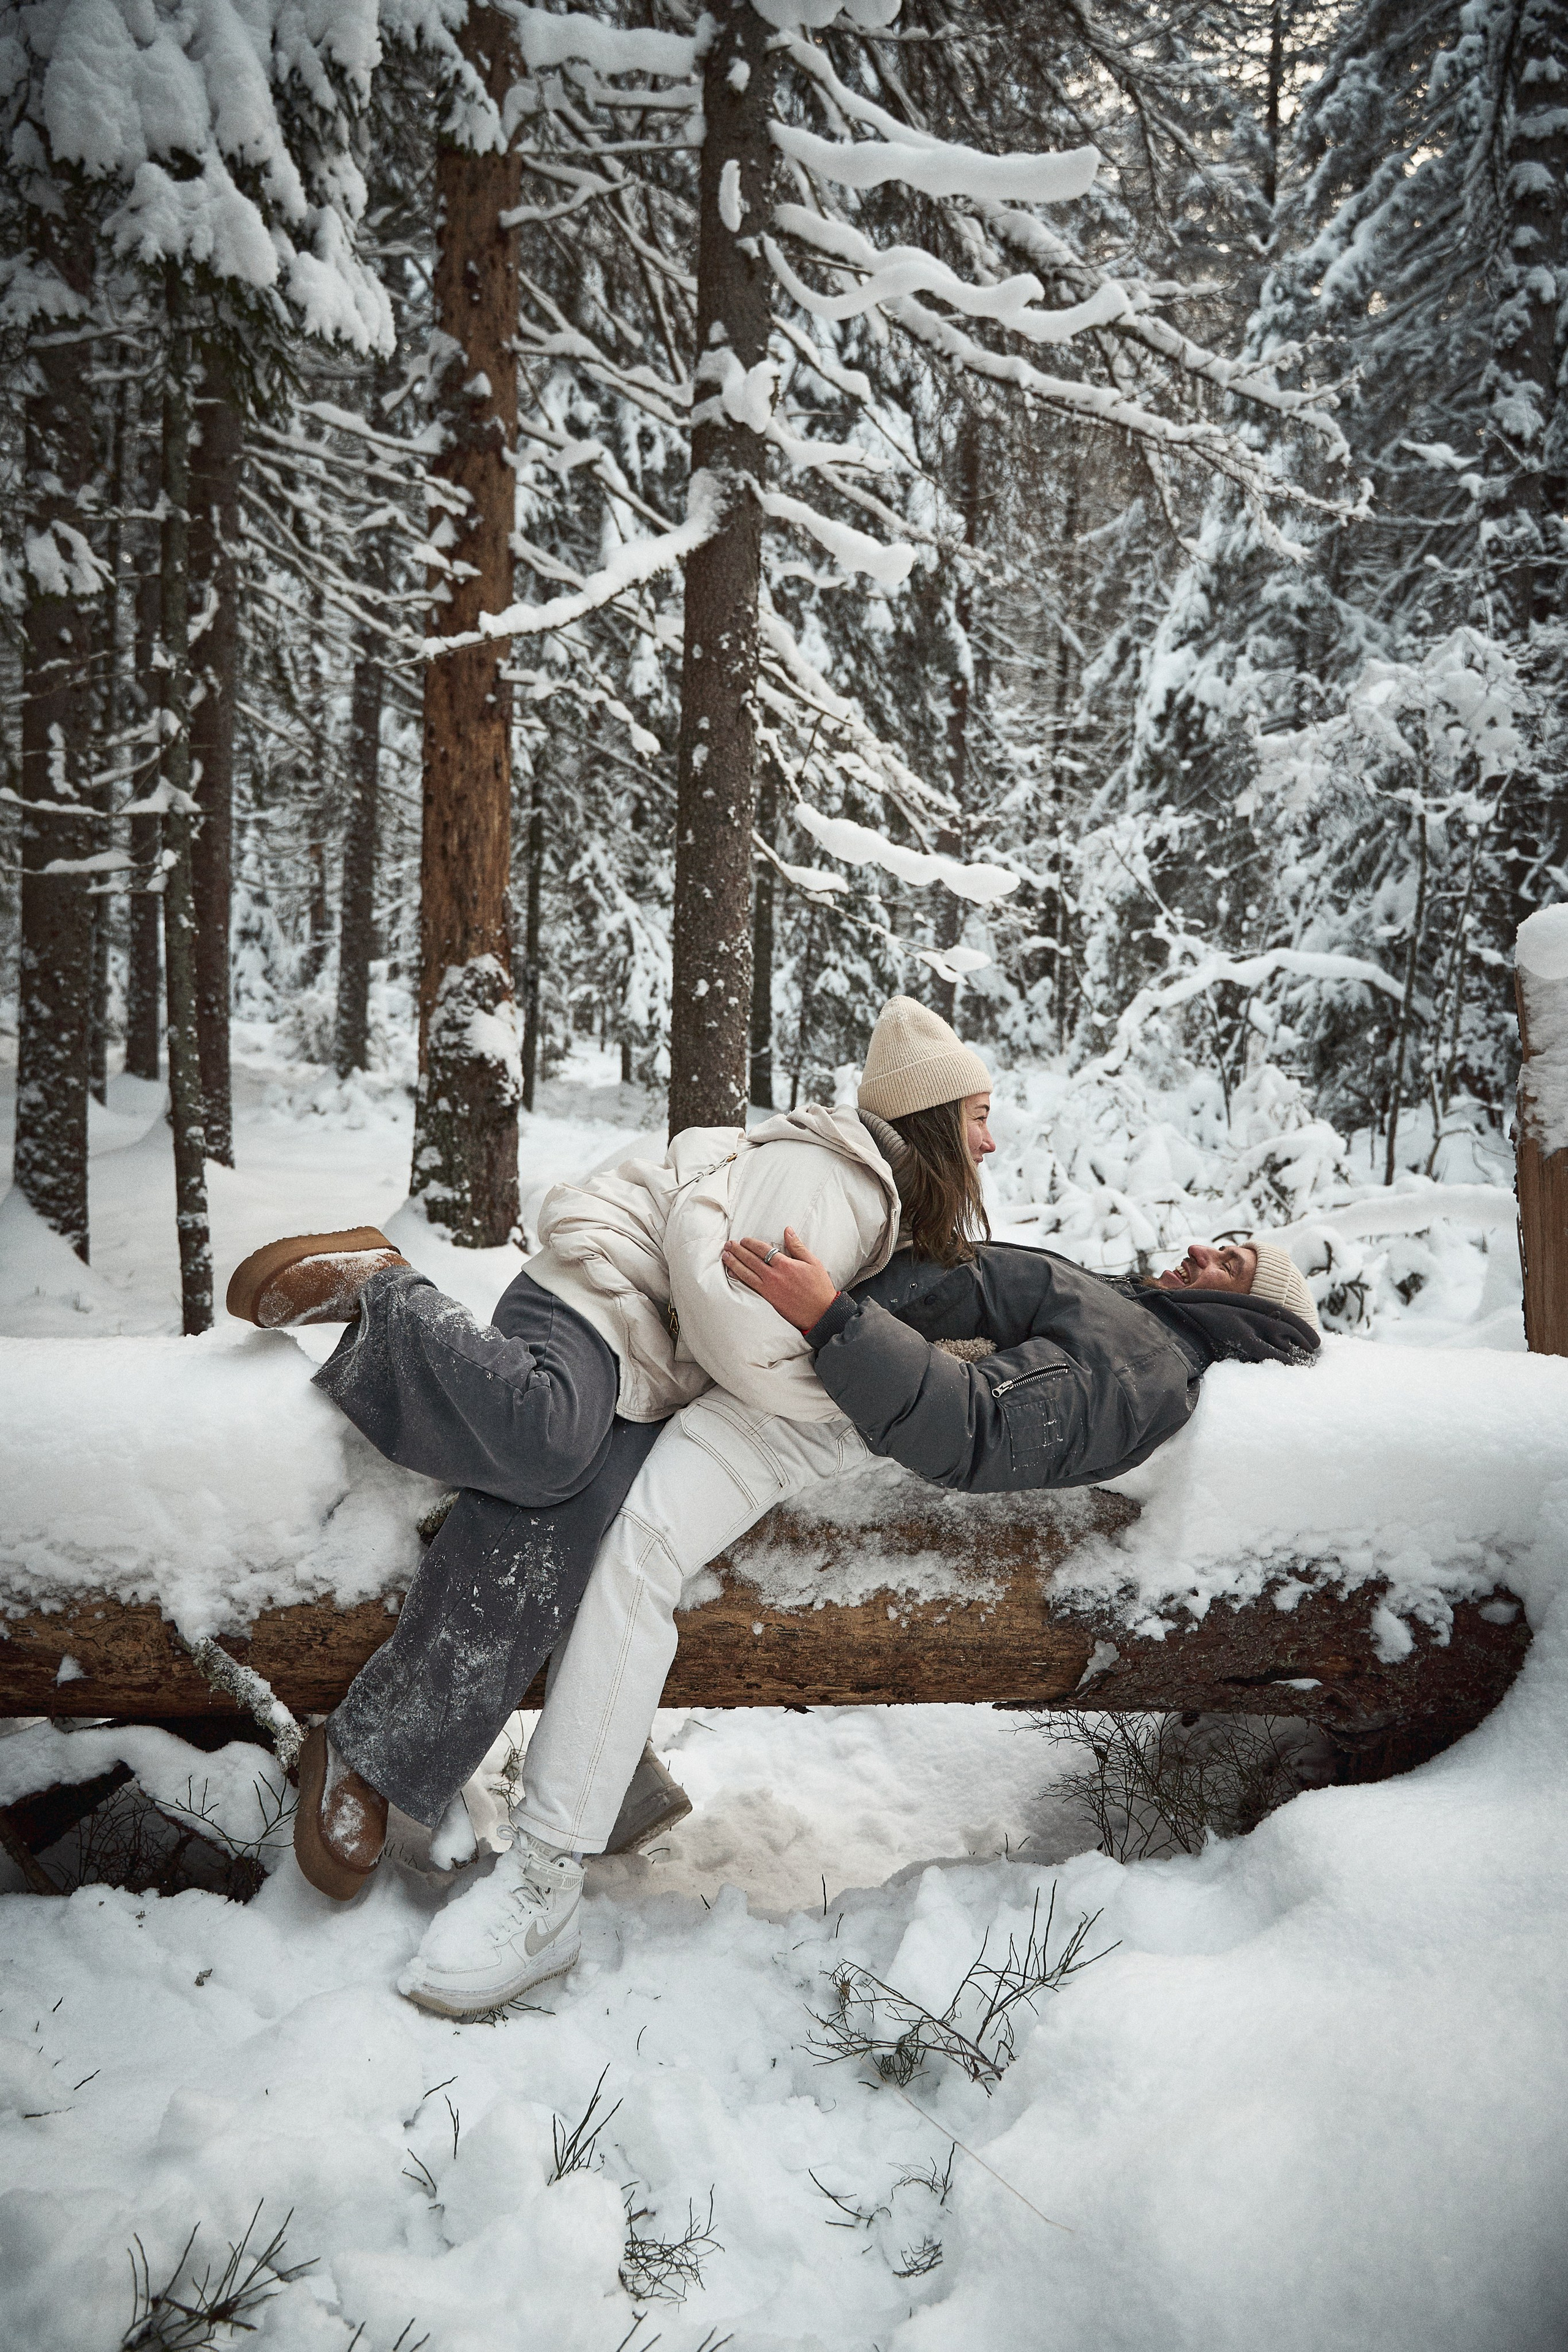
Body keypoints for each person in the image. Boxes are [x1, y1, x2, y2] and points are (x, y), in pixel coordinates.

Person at [380, 1000, 1321, 2017]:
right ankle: (605, 1792)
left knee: (637, 1551)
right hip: (807, 1366)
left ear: (1248, 1314)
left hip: (819, 1407)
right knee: (591, 1488)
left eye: (1230, 1265)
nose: (1201, 1252)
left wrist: (833, 1317)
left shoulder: (1146, 1363)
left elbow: (981, 1426)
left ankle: (543, 1889)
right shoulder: (1139, 1319)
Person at [225, 1093, 904, 1908]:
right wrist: (838, 1386)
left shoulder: (881, 1212)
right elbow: (729, 1315)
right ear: (928, 1113)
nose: (991, 1141)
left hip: (656, 1367)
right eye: (976, 1116)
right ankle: (389, 1302)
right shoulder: (836, 1173)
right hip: (601, 1289)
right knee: (546, 1437)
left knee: (575, 1530)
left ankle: (377, 1754)